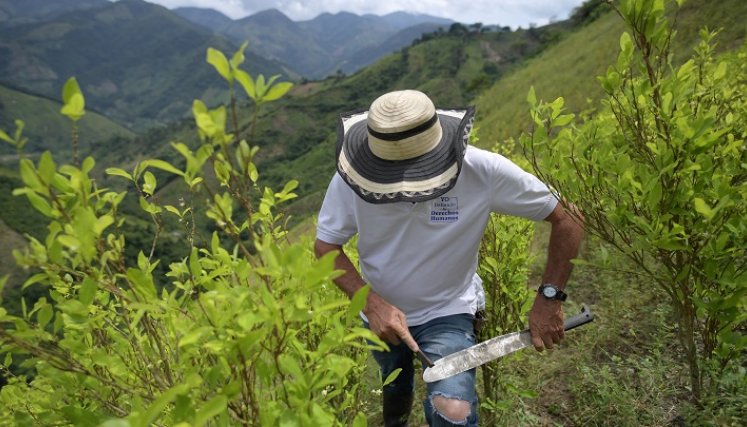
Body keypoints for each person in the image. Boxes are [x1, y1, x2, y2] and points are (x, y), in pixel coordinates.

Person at [314, 90, 584, 426]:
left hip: (448, 308)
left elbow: (568, 219)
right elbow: (326, 248)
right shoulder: (351, 178)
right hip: (378, 313)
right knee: (394, 381)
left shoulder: (481, 170)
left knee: (453, 411)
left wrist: (549, 299)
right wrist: (371, 304)